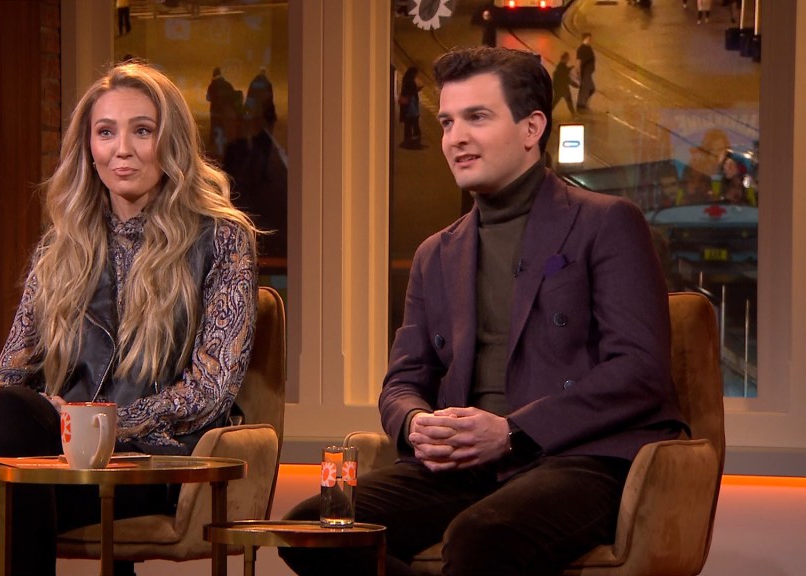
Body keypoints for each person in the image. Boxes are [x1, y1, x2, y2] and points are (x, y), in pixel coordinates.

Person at [279, 45, 685, 575]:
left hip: (576, 457)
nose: (456, 138)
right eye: (448, 122)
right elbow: (403, 381)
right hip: (464, 468)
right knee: (312, 529)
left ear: (531, 128)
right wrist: (416, 422)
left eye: (477, 117)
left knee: (482, 536)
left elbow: (640, 371)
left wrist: (512, 431)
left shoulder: (607, 222)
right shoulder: (435, 253)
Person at [0, 60, 259, 576]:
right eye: (106, 132)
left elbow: (210, 389)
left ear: (171, 142)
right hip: (64, 462)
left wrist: (88, 423)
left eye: (142, 131)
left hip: (152, 461)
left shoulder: (221, 238)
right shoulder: (62, 247)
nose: (121, 149)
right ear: (88, 147)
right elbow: (14, 364)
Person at [206, 66, 240, 158]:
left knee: (217, 129)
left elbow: (208, 98)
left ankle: (219, 150)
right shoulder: (228, 84)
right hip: (227, 112)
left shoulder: (212, 85)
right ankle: (226, 148)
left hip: (215, 112)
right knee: (225, 129)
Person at [399, 66, 423, 148]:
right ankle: (415, 141)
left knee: (408, 124)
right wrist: (417, 89)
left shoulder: (406, 80)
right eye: (415, 74)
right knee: (414, 123)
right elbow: (410, 91)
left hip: (408, 105)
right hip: (410, 104)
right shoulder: (410, 81)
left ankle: (408, 141)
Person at [551, 51, 577, 117]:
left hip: (559, 87)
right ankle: (573, 114)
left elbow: (564, 71)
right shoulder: (561, 66)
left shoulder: (561, 65)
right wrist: (574, 84)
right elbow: (565, 78)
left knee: (556, 101)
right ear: (565, 58)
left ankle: (547, 113)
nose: (568, 60)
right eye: (567, 58)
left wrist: (570, 68)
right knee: (568, 100)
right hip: (562, 87)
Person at [576, 32, 596, 110]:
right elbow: (578, 61)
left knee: (588, 88)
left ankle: (581, 103)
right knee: (588, 88)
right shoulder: (581, 49)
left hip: (588, 72)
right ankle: (581, 104)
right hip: (584, 71)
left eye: (590, 39)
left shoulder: (589, 48)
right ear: (585, 39)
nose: (590, 40)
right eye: (589, 39)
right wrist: (578, 72)